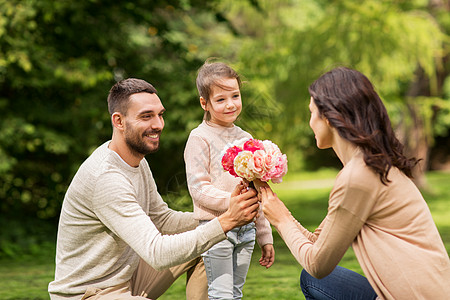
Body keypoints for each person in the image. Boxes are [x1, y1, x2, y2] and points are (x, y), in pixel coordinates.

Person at [48, 78, 261, 300]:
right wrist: (227, 221)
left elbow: (162, 220)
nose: (158, 124)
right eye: (146, 116)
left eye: (160, 115)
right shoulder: (106, 177)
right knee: (211, 234)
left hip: (127, 280)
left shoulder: (137, 162)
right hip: (88, 294)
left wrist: (225, 214)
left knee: (208, 243)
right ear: (119, 121)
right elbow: (157, 252)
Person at [259, 67, 450, 299]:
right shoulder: (370, 165)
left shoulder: (358, 176)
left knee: (315, 276)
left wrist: (281, 220)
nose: (310, 122)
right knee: (312, 280)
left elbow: (318, 264)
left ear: (328, 116)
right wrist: (273, 204)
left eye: (312, 113)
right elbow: (316, 243)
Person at [184, 61, 275, 299]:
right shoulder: (199, 138)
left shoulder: (246, 137)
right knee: (221, 293)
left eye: (235, 96)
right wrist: (232, 202)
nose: (231, 104)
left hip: (246, 229)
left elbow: (256, 189)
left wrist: (265, 235)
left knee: (235, 293)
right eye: (221, 99)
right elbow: (198, 188)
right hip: (217, 227)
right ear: (205, 103)